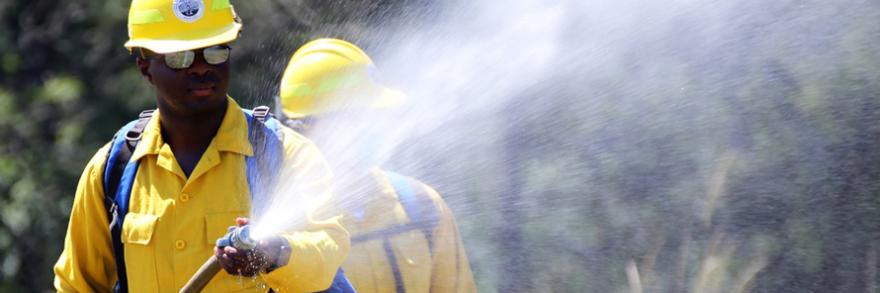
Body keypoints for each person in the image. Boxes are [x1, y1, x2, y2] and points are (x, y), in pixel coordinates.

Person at [53, 1, 349, 292]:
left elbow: (327, 251)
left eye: (215, 52)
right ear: (145, 67)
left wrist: (275, 253)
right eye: (180, 57)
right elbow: (77, 285)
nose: (200, 68)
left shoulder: (284, 153)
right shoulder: (113, 169)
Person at [277, 38, 477, 293]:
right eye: (359, 116)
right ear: (309, 128)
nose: (373, 126)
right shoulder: (287, 235)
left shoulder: (422, 206)